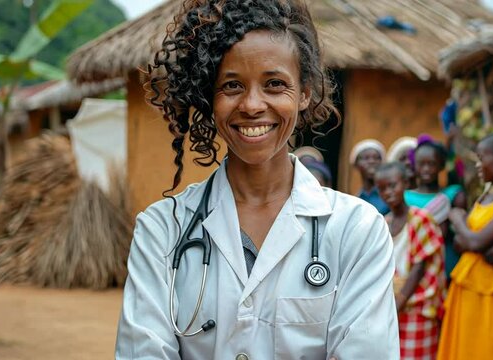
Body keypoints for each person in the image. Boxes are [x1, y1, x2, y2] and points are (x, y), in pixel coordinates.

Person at [115, 1, 399, 359]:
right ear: (209, 97)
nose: (252, 104)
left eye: (275, 84)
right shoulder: (162, 231)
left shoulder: (357, 231)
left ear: (305, 92)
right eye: (231, 85)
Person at [437, 131, 493, 360]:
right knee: (463, 349)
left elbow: (473, 241)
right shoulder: (485, 197)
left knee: (490, 349)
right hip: (467, 280)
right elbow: (461, 244)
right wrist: (476, 242)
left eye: (481, 157)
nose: (478, 165)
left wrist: (458, 219)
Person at [375, 162, 445, 360]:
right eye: (381, 188)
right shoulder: (384, 222)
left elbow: (419, 268)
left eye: (392, 185)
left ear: (405, 183)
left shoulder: (421, 219)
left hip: (417, 306)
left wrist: (398, 304)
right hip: (392, 306)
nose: (387, 192)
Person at [406, 137, 467, 278]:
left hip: (446, 259)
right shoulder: (405, 197)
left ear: (442, 166)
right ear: (414, 166)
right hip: (413, 259)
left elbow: (460, 230)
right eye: (421, 164)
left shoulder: (453, 194)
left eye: (431, 164)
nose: (426, 169)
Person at [350, 139, 390, 214]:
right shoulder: (355, 200)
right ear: (356, 164)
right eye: (366, 158)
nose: (371, 161)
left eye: (376, 158)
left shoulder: (389, 196)